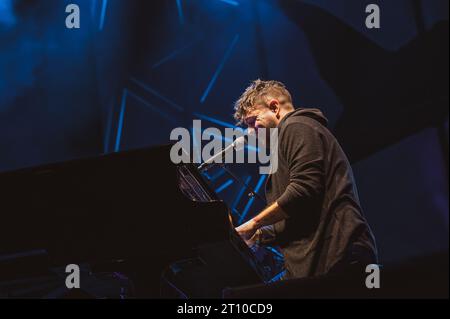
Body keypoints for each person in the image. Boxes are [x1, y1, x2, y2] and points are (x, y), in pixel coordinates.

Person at [234, 79, 378, 279]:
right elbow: (296, 215)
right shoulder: (287, 141)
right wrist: (255, 236)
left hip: (338, 254)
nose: (250, 132)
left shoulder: (297, 125)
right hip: (318, 261)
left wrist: (253, 224)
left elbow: (304, 190)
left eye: (252, 121)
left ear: (274, 107)